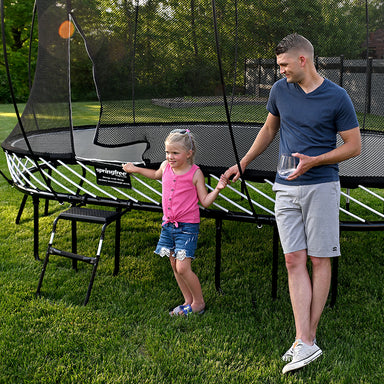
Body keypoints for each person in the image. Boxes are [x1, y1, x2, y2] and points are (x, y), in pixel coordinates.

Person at [224, 33, 361, 373]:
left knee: (319, 260)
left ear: (304, 60)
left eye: (284, 64)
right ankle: (305, 340)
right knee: (292, 259)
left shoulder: (337, 97)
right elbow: (269, 130)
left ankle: (306, 340)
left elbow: (354, 146)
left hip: (321, 186)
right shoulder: (279, 91)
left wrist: (315, 161)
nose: (279, 71)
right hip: (285, 187)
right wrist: (243, 163)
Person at [123, 128, 227, 316]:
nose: (170, 157)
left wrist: (218, 189)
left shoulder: (195, 173)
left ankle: (199, 303)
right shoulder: (166, 167)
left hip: (187, 227)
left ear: (189, 154)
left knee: (182, 266)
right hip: (168, 225)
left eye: (175, 153)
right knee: (173, 263)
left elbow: (204, 201)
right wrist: (135, 169)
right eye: (167, 152)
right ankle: (188, 300)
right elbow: (155, 174)